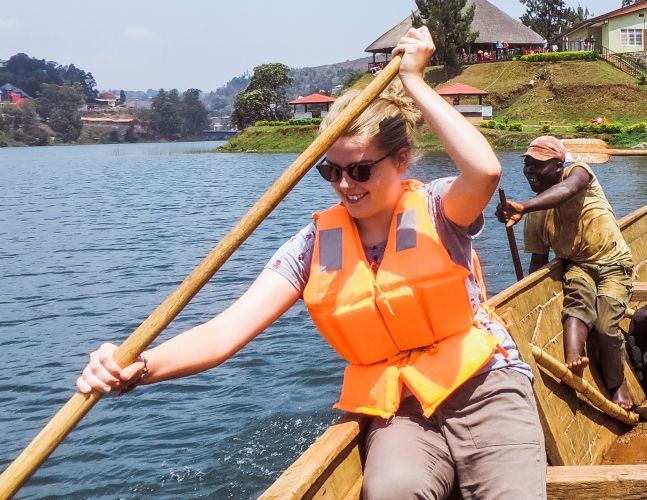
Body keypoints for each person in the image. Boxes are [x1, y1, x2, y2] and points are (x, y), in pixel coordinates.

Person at [74, 27, 546, 498]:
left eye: (360, 169)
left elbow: (484, 170)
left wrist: (414, 82)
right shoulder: (312, 245)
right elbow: (223, 332)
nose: (345, 185)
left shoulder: (441, 208)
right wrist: (137, 367)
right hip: (399, 407)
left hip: (484, 384)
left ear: (401, 159)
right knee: (390, 491)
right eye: (331, 170)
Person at [496, 136, 637, 409]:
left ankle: (617, 382)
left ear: (558, 166)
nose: (530, 172)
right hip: (577, 265)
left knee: (606, 325)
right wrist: (525, 297)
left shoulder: (579, 173)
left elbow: (569, 190)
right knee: (576, 304)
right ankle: (573, 357)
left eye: (538, 166)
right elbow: (538, 262)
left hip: (613, 263)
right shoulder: (535, 213)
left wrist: (523, 206)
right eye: (527, 166)